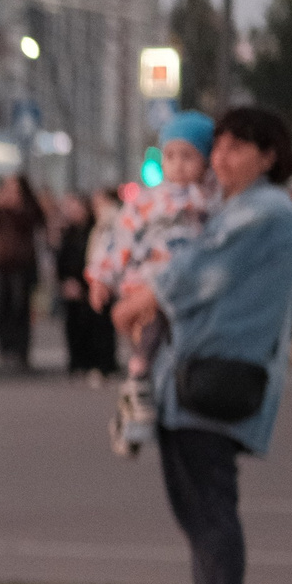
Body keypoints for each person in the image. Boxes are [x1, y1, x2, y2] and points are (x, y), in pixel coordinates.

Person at [114, 108, 292, 584]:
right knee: (198, 507)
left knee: (210, 508)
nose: (220, 158)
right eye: (217, 147)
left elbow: (201, 270)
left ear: (268, 155)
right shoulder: (236, 208)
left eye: (236, 148)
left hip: (217, 377)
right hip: (195, 375)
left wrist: (139, 301)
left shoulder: (265, 211)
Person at [91, 111, 216, 455]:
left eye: (188, 156)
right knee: (150, 331)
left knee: (175, 358)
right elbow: (119, 239)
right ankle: (137, 377)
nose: (178, 165)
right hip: (148, 280)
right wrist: (101, 278)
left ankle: (136, 409)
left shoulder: (210, 199)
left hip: (190, 287)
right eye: (170, 156)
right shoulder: (147, 200)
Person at [0, 175, 48, 370]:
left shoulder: (28, 207)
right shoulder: (1, 209)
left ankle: (21, 351)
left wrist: (18, 207)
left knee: (21, 307)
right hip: (4, 264)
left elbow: (38, 222)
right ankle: (6, 348)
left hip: (23, 263)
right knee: (4, 306)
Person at [54, 192, 118, 378]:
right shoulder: (69, 232)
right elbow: (62, 260)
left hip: (92, 284)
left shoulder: (98, 227)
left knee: (99, 326)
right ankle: (78, 363)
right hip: (76, 284)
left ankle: (102, 364)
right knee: (75, 326)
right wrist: (65, 281)